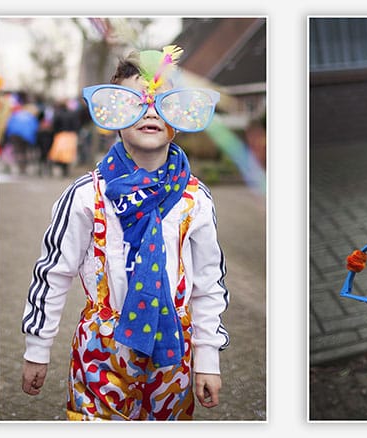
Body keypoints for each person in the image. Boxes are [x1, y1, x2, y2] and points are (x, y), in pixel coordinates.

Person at [21, 46, 230, 421]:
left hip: (173, 352)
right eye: (133, 101)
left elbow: (208, 282)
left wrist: (208, 359)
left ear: (179, 118)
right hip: (102, 348)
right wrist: (38, 349)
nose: (150, 111)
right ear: (112, 115)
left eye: (163, 102)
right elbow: (53, 272)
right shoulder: (87, 195)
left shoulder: (194, 199)